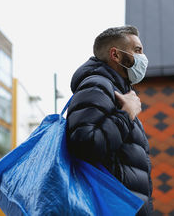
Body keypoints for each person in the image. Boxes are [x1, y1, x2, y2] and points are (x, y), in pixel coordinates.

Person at [66, 26, 153, 215]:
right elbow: (84, 143)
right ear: (116, 55)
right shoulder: (97, 84)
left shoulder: (117, 90)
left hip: (123, 205)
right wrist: (126, 114)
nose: (143, 57)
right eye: (137, 50)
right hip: (112, 206)